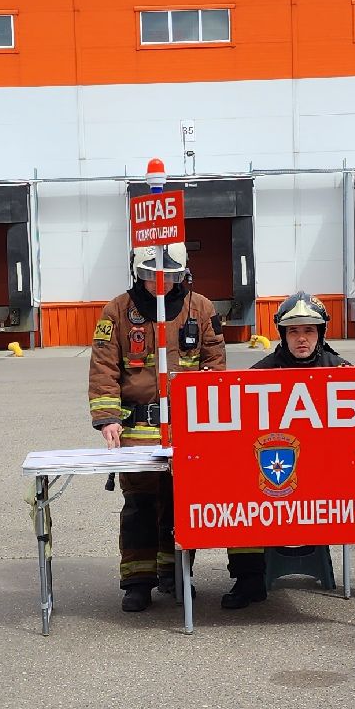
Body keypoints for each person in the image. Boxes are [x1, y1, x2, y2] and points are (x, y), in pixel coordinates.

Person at [221, 293, 355, 610]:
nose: (301, 338)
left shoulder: (344, 373)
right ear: (283, 335)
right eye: (293, 331)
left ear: (320, 333)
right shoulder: (258, 376)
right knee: (240, 494)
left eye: (309, 330)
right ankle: (248, 579)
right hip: (279, 472)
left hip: (328, 473)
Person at [87, 243, 227, 612]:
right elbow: (104, 368)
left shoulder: (201, 308)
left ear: (183, 273)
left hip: (186, 429)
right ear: (138, 274)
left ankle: (175, 573)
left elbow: (215, 366)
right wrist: (108, 418)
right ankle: (138, 582)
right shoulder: (118, 311)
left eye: (169, 275)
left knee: (181, 505)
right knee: (140, 507)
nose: (160, 283)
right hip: (137, 429)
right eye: (151, 276)